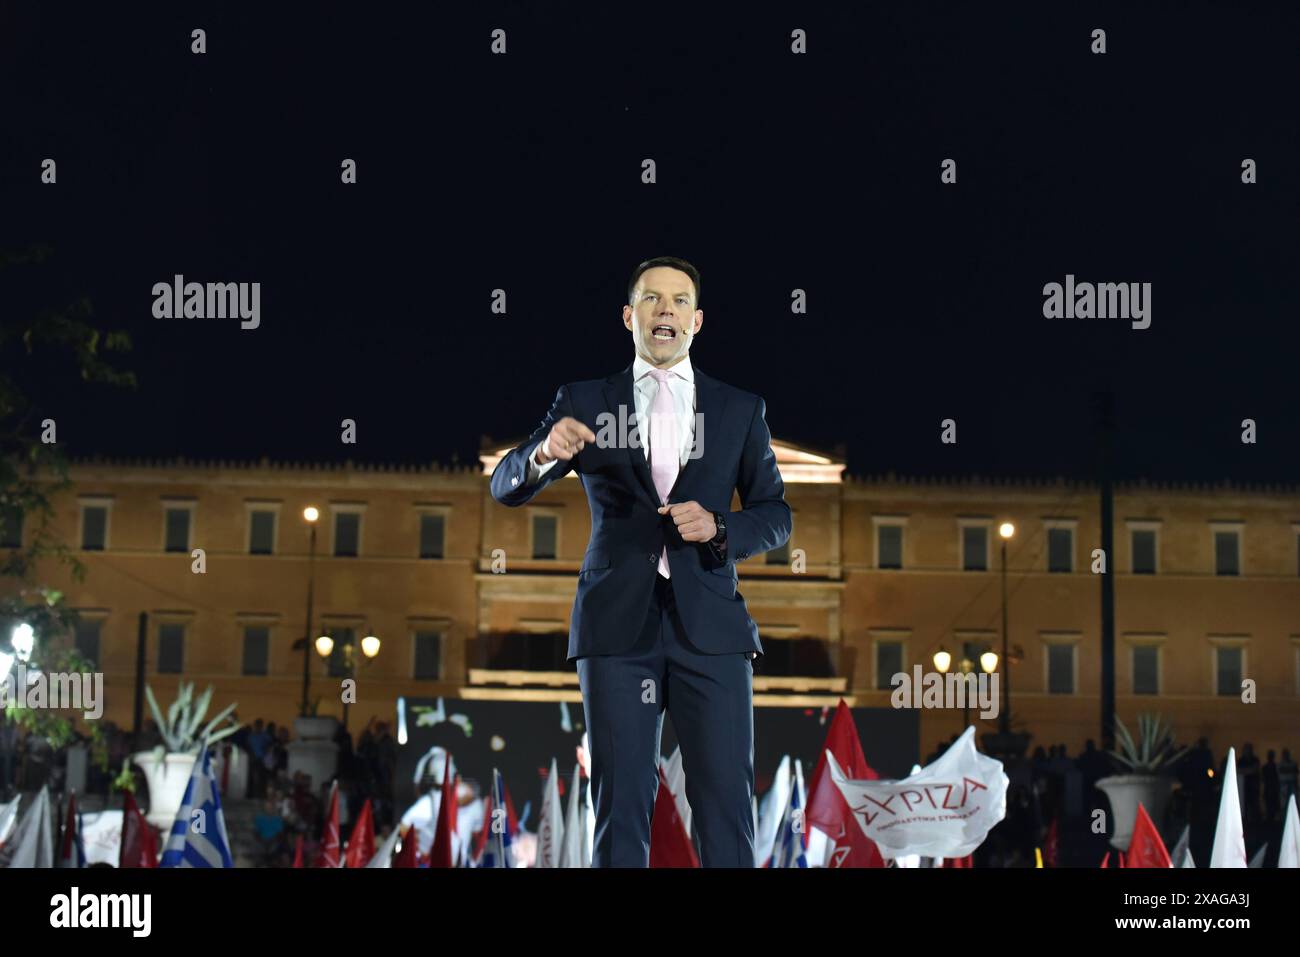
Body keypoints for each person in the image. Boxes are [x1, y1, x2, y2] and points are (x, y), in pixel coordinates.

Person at [490, 257, 792, 867]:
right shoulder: (581, 399)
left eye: (680, 301)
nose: (666, 311)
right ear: (629, 316)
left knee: (727, 809)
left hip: (711, 630)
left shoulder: (739, 409)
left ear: (698, 320)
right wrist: (546, 451)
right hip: (616, 631)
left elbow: (776, 514)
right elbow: (505, 484)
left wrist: (720, 526)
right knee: (620, 809)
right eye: (652, 299)